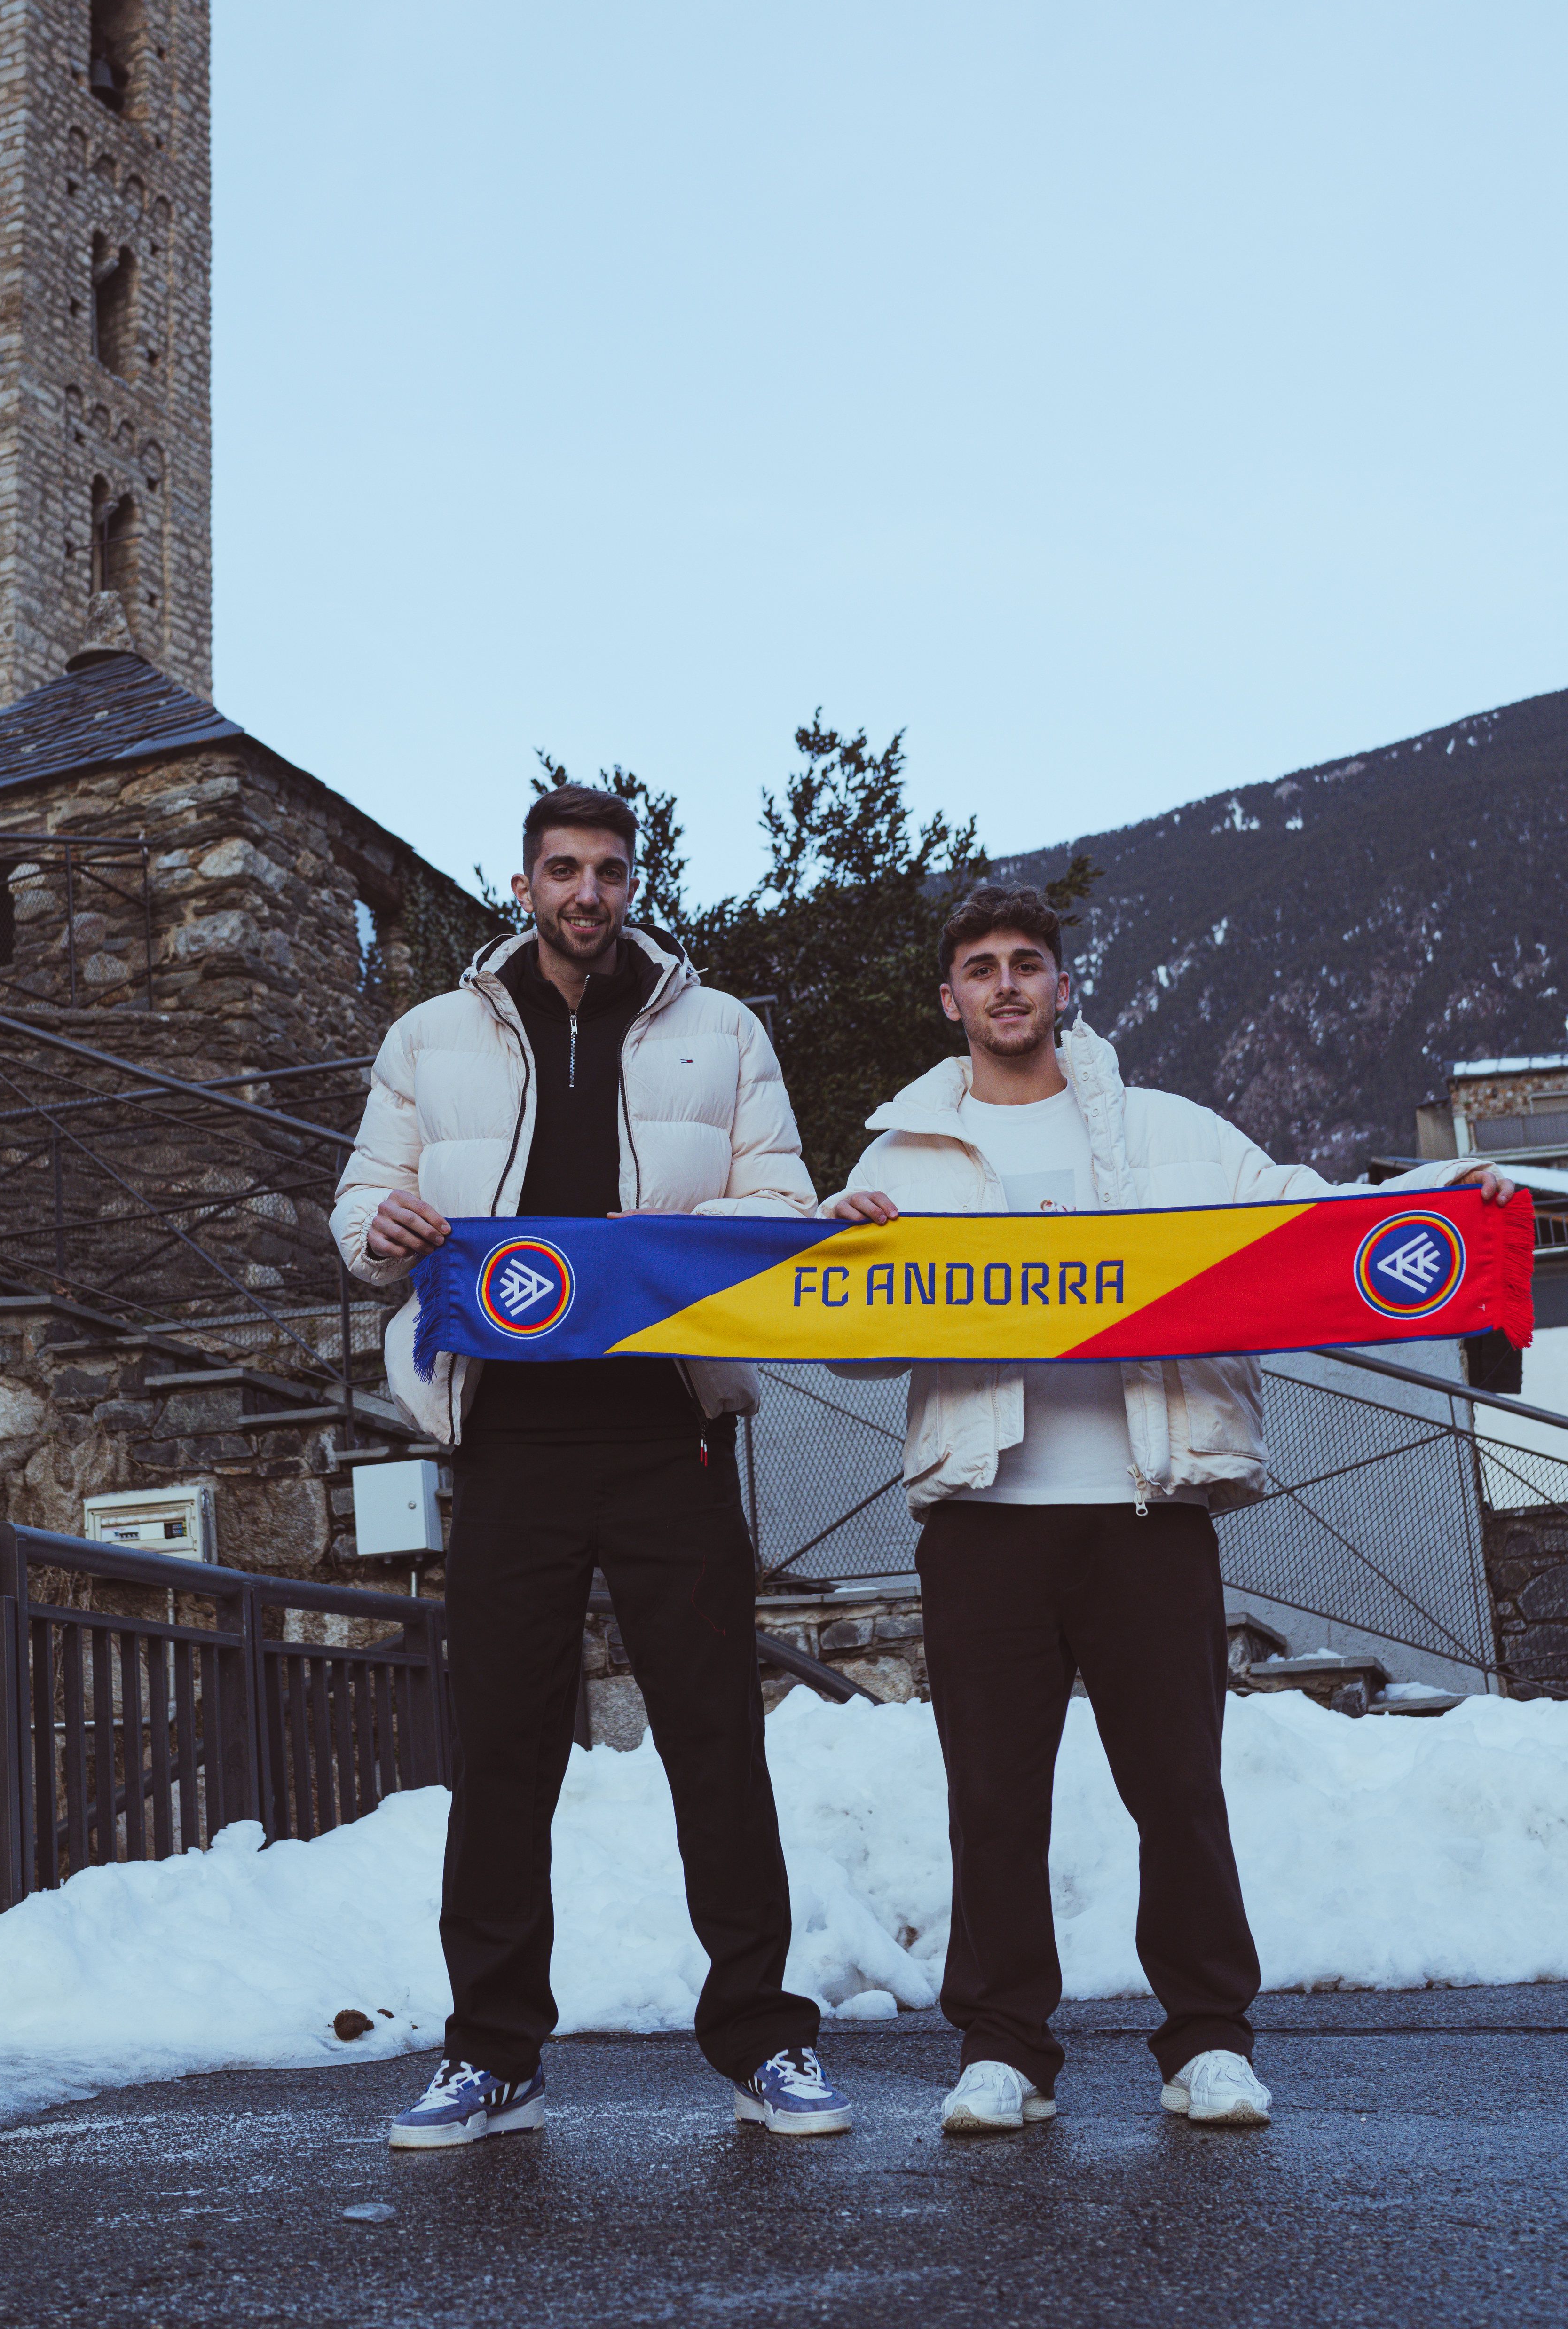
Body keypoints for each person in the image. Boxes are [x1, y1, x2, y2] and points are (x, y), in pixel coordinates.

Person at [827, 881, 1517, 2138]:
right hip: (985, 1519)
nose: (1005, 985)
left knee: (1178, 1788)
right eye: (979, 967)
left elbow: (1306, 1219)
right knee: (993, 1794)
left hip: (1150, 1509)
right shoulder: (898, 1162)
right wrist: (845, 1258)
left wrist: (1432, 1196)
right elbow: (854, 1354)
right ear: (950, 999)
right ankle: (1003, 2050)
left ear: (1062, 984)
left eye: (1026, 962)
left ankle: (1206, 2040)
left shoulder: (1170, 1136)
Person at [334, 784, 853, 2148]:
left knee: (716, 1746)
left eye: (610, 872)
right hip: (507, 1441)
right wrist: (382, 1226)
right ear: (523, 884)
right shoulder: (431, 1036)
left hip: (670, 1434)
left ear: (635, 884)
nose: (587, 893)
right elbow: (359, 1208)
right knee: (502, 1755)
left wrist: (653, 1243)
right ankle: (491, 2054)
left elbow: (784, 1207)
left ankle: (762, 2042)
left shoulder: (720, 1029)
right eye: (563, 871)